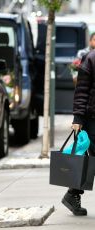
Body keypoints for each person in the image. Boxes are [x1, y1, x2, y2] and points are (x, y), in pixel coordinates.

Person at [62, 49, 95, 216]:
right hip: (93, 118)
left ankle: (72, 194)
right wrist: (78, 118)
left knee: (91, 160)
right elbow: (81, 91)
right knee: (90, 158)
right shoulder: (90, 59)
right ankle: (72, 193)